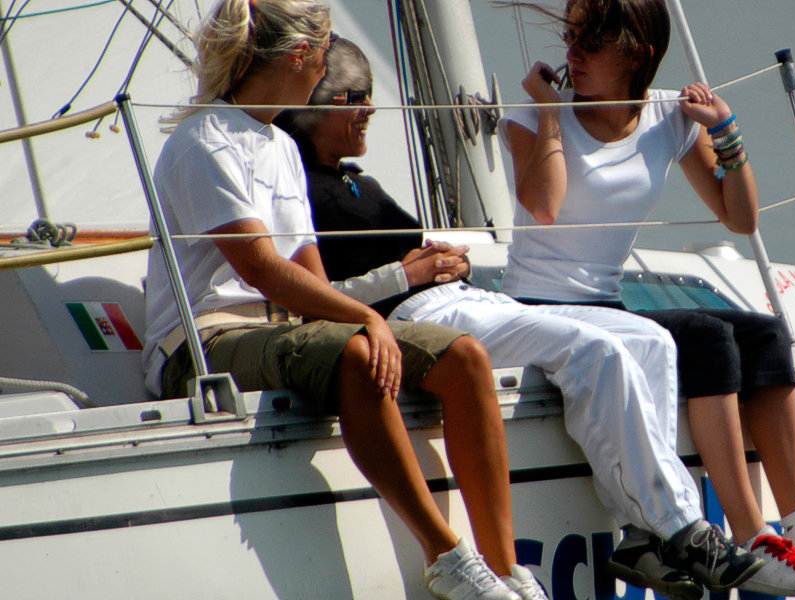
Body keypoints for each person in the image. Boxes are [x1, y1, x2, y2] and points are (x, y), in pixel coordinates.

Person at [273, 36, 762, 600]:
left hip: (462, 297)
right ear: (323, 105)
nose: (370, 110)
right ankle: (681, 526)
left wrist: (438, 258)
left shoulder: (356, 178)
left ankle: (641, 537)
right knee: (594, 349)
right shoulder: (298, 184)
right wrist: (406, 276)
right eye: (358, 96)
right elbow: (308, 295)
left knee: (650, 340)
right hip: (418, 313)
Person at [140, 3, 542, 600]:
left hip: (283, 330)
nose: (327, 68)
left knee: (465, 356)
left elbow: (309, 278)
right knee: (357, 351)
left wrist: (365, 312)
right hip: (204, 339)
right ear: (301, 57)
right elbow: (261, 269)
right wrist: (365, 320)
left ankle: (504, 568)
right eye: (326, 54)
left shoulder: (278, 145)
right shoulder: (204, 139)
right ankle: (447, 556)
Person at [498, 0, 795, 595]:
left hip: (607, 308)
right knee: (707, 338)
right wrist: (552, 115)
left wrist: (724, 128)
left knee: (764, 334)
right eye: (571, 36)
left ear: (639, 55)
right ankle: (751, 534)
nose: (571, 53)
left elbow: (740, 217)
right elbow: (544, 207)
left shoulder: (667, 118)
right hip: (541, 311)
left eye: (591, 41)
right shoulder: (535, 114)